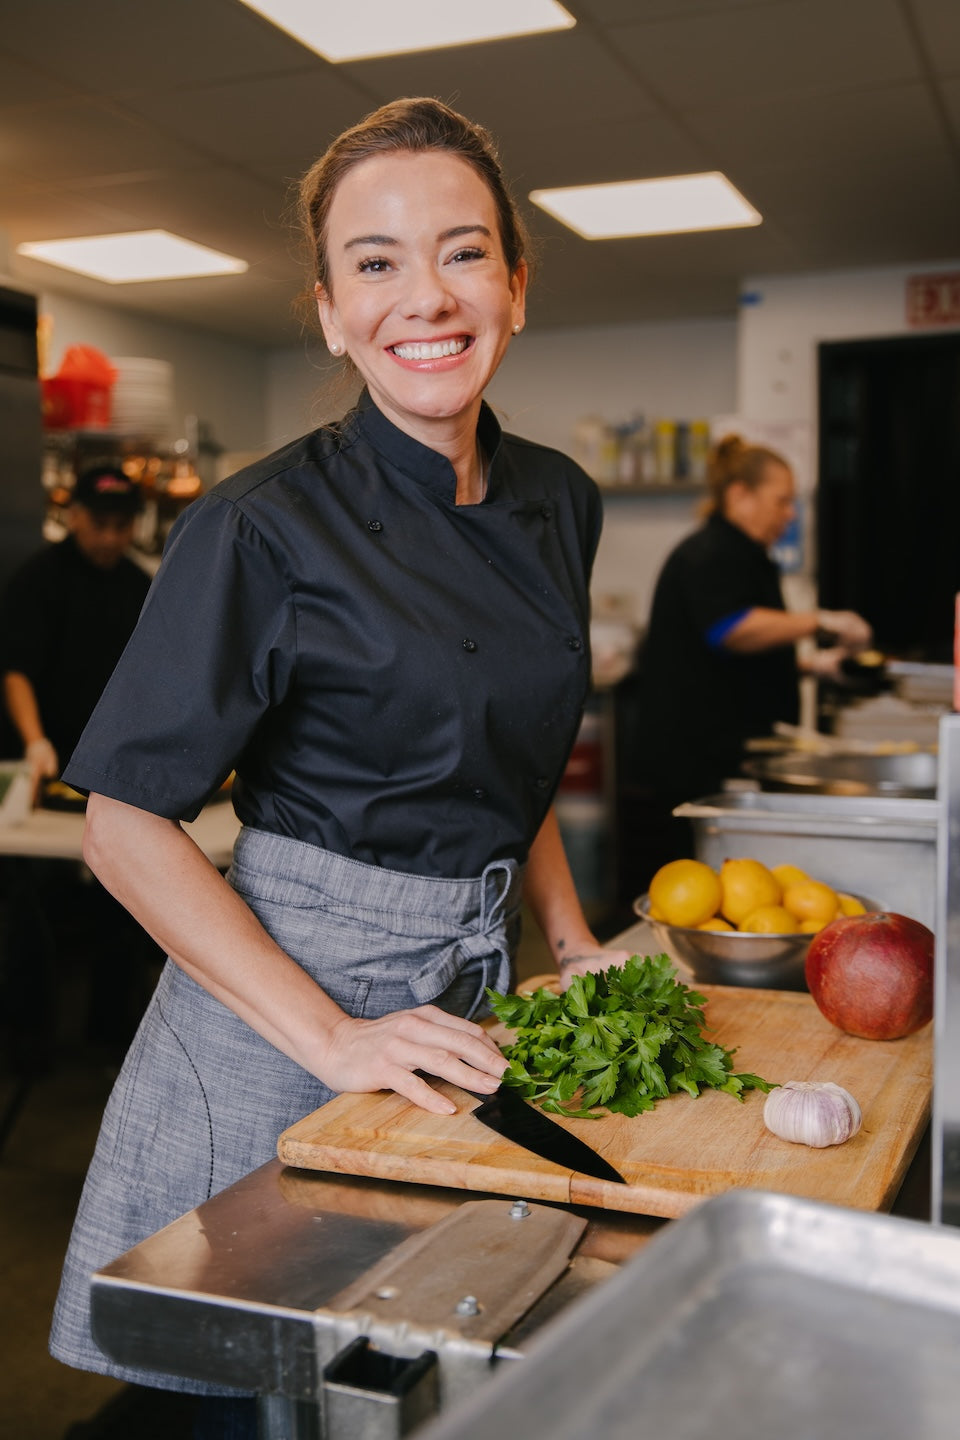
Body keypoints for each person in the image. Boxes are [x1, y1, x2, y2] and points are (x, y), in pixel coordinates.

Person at [48, 98, 630, 1432]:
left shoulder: (558, 499)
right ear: (326, 311)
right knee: (237, 1400)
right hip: (277, 1010)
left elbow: (511, 755)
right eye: (374, 262)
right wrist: (334, 1035)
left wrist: (568, 930)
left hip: (457, 1005)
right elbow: (124, 830)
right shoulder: (258, 528)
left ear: (518, 285)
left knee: (394, 1384)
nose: (422, 296)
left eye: (463, 251)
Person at [622, 434, 872, 889]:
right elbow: (731, 631)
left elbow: (727, 658)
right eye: (782, 501)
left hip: (722, 754)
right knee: (696, 891)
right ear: (740, 494)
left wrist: (813, 666)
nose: (790, 514)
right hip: (694, 763)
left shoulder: (744, 554)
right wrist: (822, 620)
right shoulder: (711, 553)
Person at [0, 465, 153, 1063]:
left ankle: (111, 1037)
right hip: (42, 769)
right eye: (101, 524)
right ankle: (23, 1039)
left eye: (123, 526)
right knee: (30, 902)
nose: (111, 537)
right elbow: (16, 670)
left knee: (126, 897)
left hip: (110, 774)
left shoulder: (139, 586)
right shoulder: (39, 579)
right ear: (75, 517)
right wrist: (36, 742)